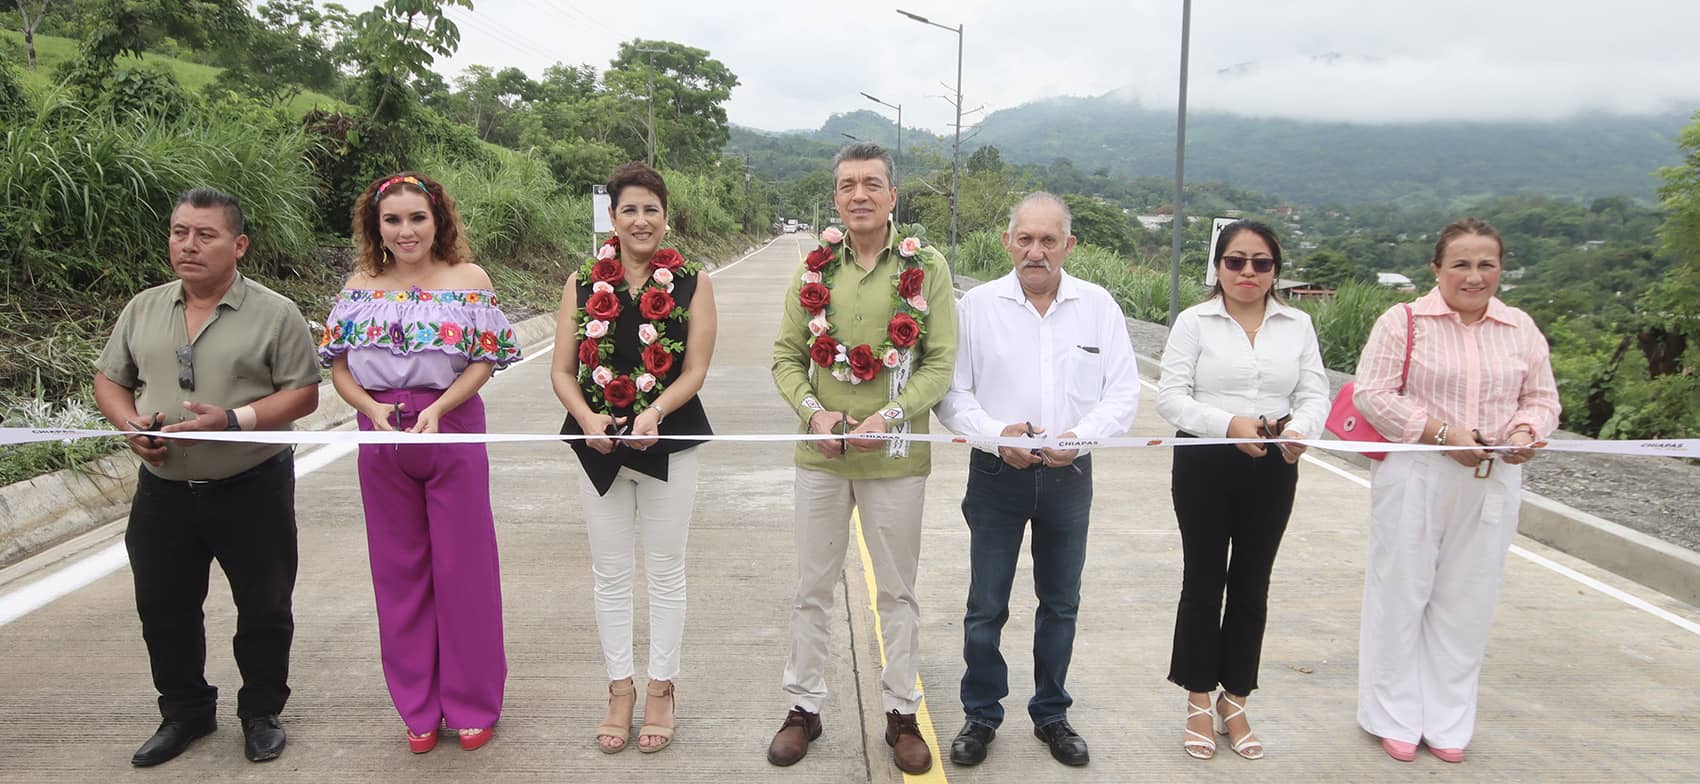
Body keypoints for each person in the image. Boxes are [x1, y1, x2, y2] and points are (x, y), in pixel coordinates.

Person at [92, 187, 320, 766]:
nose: (188, 245)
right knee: (163, 606)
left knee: (264, 605)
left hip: (251, 486)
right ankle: (185, 712)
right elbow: (110, 380)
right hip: (163, 491)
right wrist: (129, 426)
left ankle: (261, 710)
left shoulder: (275, 313)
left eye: (205, 234)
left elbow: (303, 394)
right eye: (179, 232)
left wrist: (233, 422)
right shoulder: (144, 308)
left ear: (238, 245)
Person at [767, 142, 957, 775]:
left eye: (872, 183)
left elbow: (940, 363)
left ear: (893, 195)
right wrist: (813, 412)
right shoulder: (813, 268)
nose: (859, 194)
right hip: (821, 456)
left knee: (897, 592)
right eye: (847, 184)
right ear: (836, 196)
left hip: (895, 459)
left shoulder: (926, 267)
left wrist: (890, 416)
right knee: (811, 587)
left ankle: (901, 713)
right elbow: (787, 357)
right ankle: (804, 707)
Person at [935, 192, 1140, 768]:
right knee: (986, 604)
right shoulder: (975, 307)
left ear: (1068, 246)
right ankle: (981, 714)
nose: (1036, 251)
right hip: (997, 471)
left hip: (1069, 475)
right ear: (1008, 242)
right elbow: (952, 395)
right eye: (1025, 238)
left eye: (1049, 240)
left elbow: (1123, 393)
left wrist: (1077, 438)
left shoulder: (1099, 307)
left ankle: (1051, 712)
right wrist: (998, 433)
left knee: (1061, 602)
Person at [320, 172, 519, 753]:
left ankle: (474, 703)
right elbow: (337, 364)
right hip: (380, 432)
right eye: (392, 220)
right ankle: (418, 708)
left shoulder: (468, 281)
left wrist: (441, 406)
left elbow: (485, 359)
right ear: (375, 227)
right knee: (398, 572)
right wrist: (369, 409)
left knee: (465, 570)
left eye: (416, 218)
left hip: (450, 427)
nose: (405, 231)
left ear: (438, 222)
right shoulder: (360, 285)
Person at [1353, 218, 1560, 764]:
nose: (1474, 276)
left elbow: (1541, 398)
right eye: (1461, 264)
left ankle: (1448, 720)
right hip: (1417, 472)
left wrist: (1524, 432)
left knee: (1467, 601)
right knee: (1401, 593)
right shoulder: (1404, 321)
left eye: (1486, 264)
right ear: (1437, 269)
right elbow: (1374, 394)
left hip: (1491, 479)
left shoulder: (1520, 328)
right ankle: (1392, 714)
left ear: (1500, 268)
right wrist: (1441, 434)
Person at [551, 162, 718, 754]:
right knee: (610, 573)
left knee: (666, 571)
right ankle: (619, 689)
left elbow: (694, 369)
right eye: (629, 209)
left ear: (665, 215)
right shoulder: (582, 281)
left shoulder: (693, 282)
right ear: (613, 217)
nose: (641, 220)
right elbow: (562, 371)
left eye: (651, 208)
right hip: (595, 444)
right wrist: (589, 418)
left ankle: (661, 689)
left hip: (667, 439)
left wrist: (655, 414)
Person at [1156, 220, 1329, 761]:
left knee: (1253, 584)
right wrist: (1227, 424)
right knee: (1204, 581)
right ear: (1218, 266)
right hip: (1206, 462)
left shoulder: (1297, 324)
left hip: (1275, 463)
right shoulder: (1194, 322)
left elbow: (1315, 391)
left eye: (1261, 263)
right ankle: (1197, 699)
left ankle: (1236, 698)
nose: (1248, 272)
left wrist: (1301, 430)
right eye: (1235, 261)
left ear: (1276, 270)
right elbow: (1171, 398)